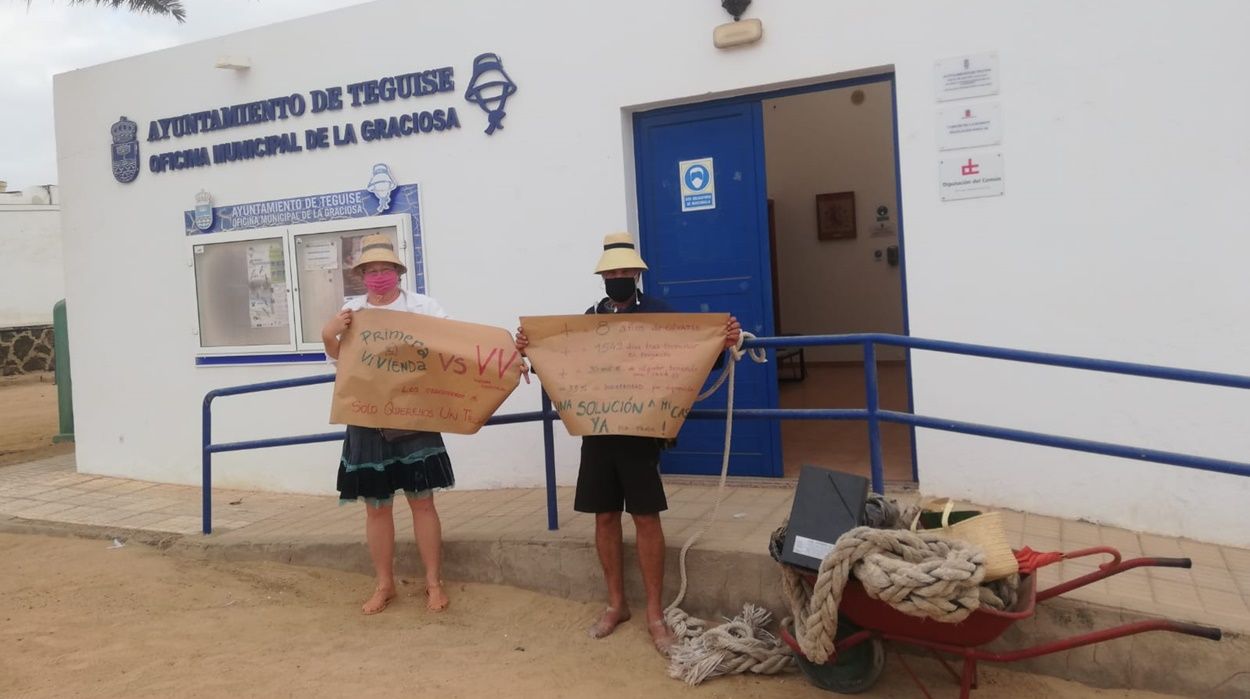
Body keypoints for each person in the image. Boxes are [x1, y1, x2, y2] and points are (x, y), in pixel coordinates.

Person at [514, 232, 740, 654]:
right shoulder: (588, 318)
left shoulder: (661, 315)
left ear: (636, 273)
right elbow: (562, 364)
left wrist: (723, 342)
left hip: (640, 434)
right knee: (603, 516)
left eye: (623, 271)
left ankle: (654, 612)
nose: (617, 277)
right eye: (610, 272)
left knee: (646, 516)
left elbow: (698, 358)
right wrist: (531, 349)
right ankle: (616, 604)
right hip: (598, 432)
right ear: (603, 276)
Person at [322, 234, 454, 615]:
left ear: (398, 272)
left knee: (423, 501)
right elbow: (340, 360)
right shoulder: (352, 312)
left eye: (385, 269)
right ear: (362, 275)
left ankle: (433, 583)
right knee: (376, 506)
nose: (378, 276)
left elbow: (454, 345)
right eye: (371, 270)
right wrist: (328, 333)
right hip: (367, 417)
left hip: (414, 414)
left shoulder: (424, 307)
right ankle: (384, 584)